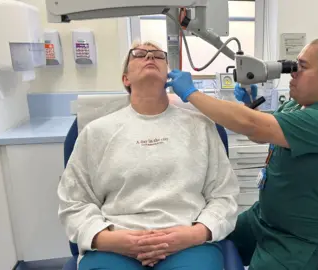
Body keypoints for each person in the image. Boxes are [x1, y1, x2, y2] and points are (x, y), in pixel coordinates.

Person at [166, 37, 318, 270]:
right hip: (263, 219)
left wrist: (192, 93)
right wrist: (251, 105)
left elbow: (253, 126)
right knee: (209, 241)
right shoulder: (298, 105)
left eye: (303, 67)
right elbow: (261, 133)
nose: (293, 73)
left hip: (300, 241)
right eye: (294, 65)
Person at [58, 41, 240, 270]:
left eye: (158, 55)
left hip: (187, 242)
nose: (150, 57)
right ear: (126, 78)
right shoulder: (96, 132)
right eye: (140, 54)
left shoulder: (201, 127)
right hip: (116, 241)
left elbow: (224, 196)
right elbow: (74, 201)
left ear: (169, 76)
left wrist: (194, 234)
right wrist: (110, 239)